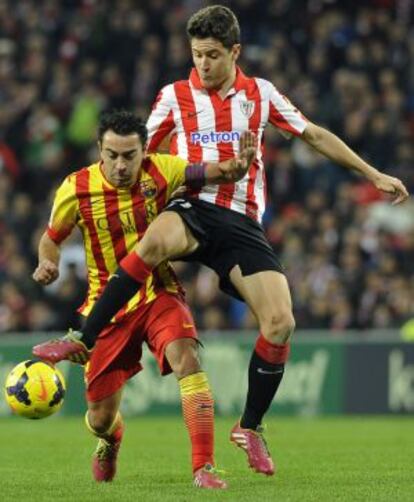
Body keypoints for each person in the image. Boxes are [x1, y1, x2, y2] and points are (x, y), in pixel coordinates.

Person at [33, 5, 409, 478]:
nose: (203, 65)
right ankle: (80, 338)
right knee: (151, 244)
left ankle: (250, 427)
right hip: (193, 206)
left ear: (235, 51)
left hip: (243, 222)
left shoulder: (261, 95)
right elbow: (139, 152)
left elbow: (312, 134)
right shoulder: (173, 95)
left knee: (280, 321)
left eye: (212, 55)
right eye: (196, 55)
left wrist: (372, 174)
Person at [32, 109, 256, 488]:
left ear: (144, 151)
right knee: (100, 418)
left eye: (129, 156)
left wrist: (237, 165)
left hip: (158, 292)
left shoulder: (163, 169)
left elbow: (210, 173)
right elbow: (51, 238)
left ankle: (204, 467)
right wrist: (46, 263)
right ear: (99, 150)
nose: (120, 165)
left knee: (187, 358)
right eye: (112, 155)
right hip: (107, 310)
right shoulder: (76, 187)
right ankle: (111, 440)